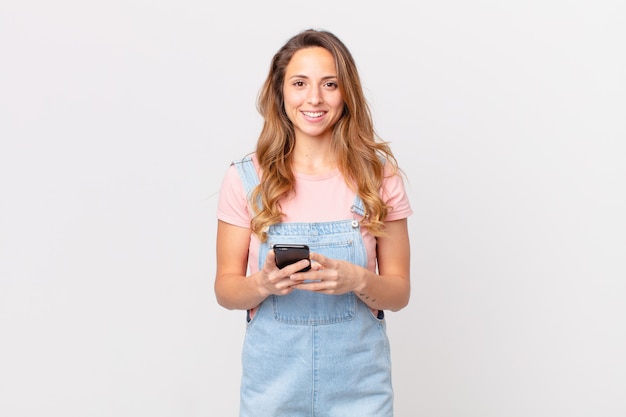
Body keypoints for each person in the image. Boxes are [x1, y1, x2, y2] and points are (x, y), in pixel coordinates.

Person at [215, 28, 412, 417]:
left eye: (330, 84)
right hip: (272, 389)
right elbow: (225, 289)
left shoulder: (379, 178)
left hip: (360, 389)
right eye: (300, 83)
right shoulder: (245, 179)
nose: (314, 98)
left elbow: (399, 292)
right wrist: (262, 284)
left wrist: (357, 280)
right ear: (281, 92)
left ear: (346, 93)